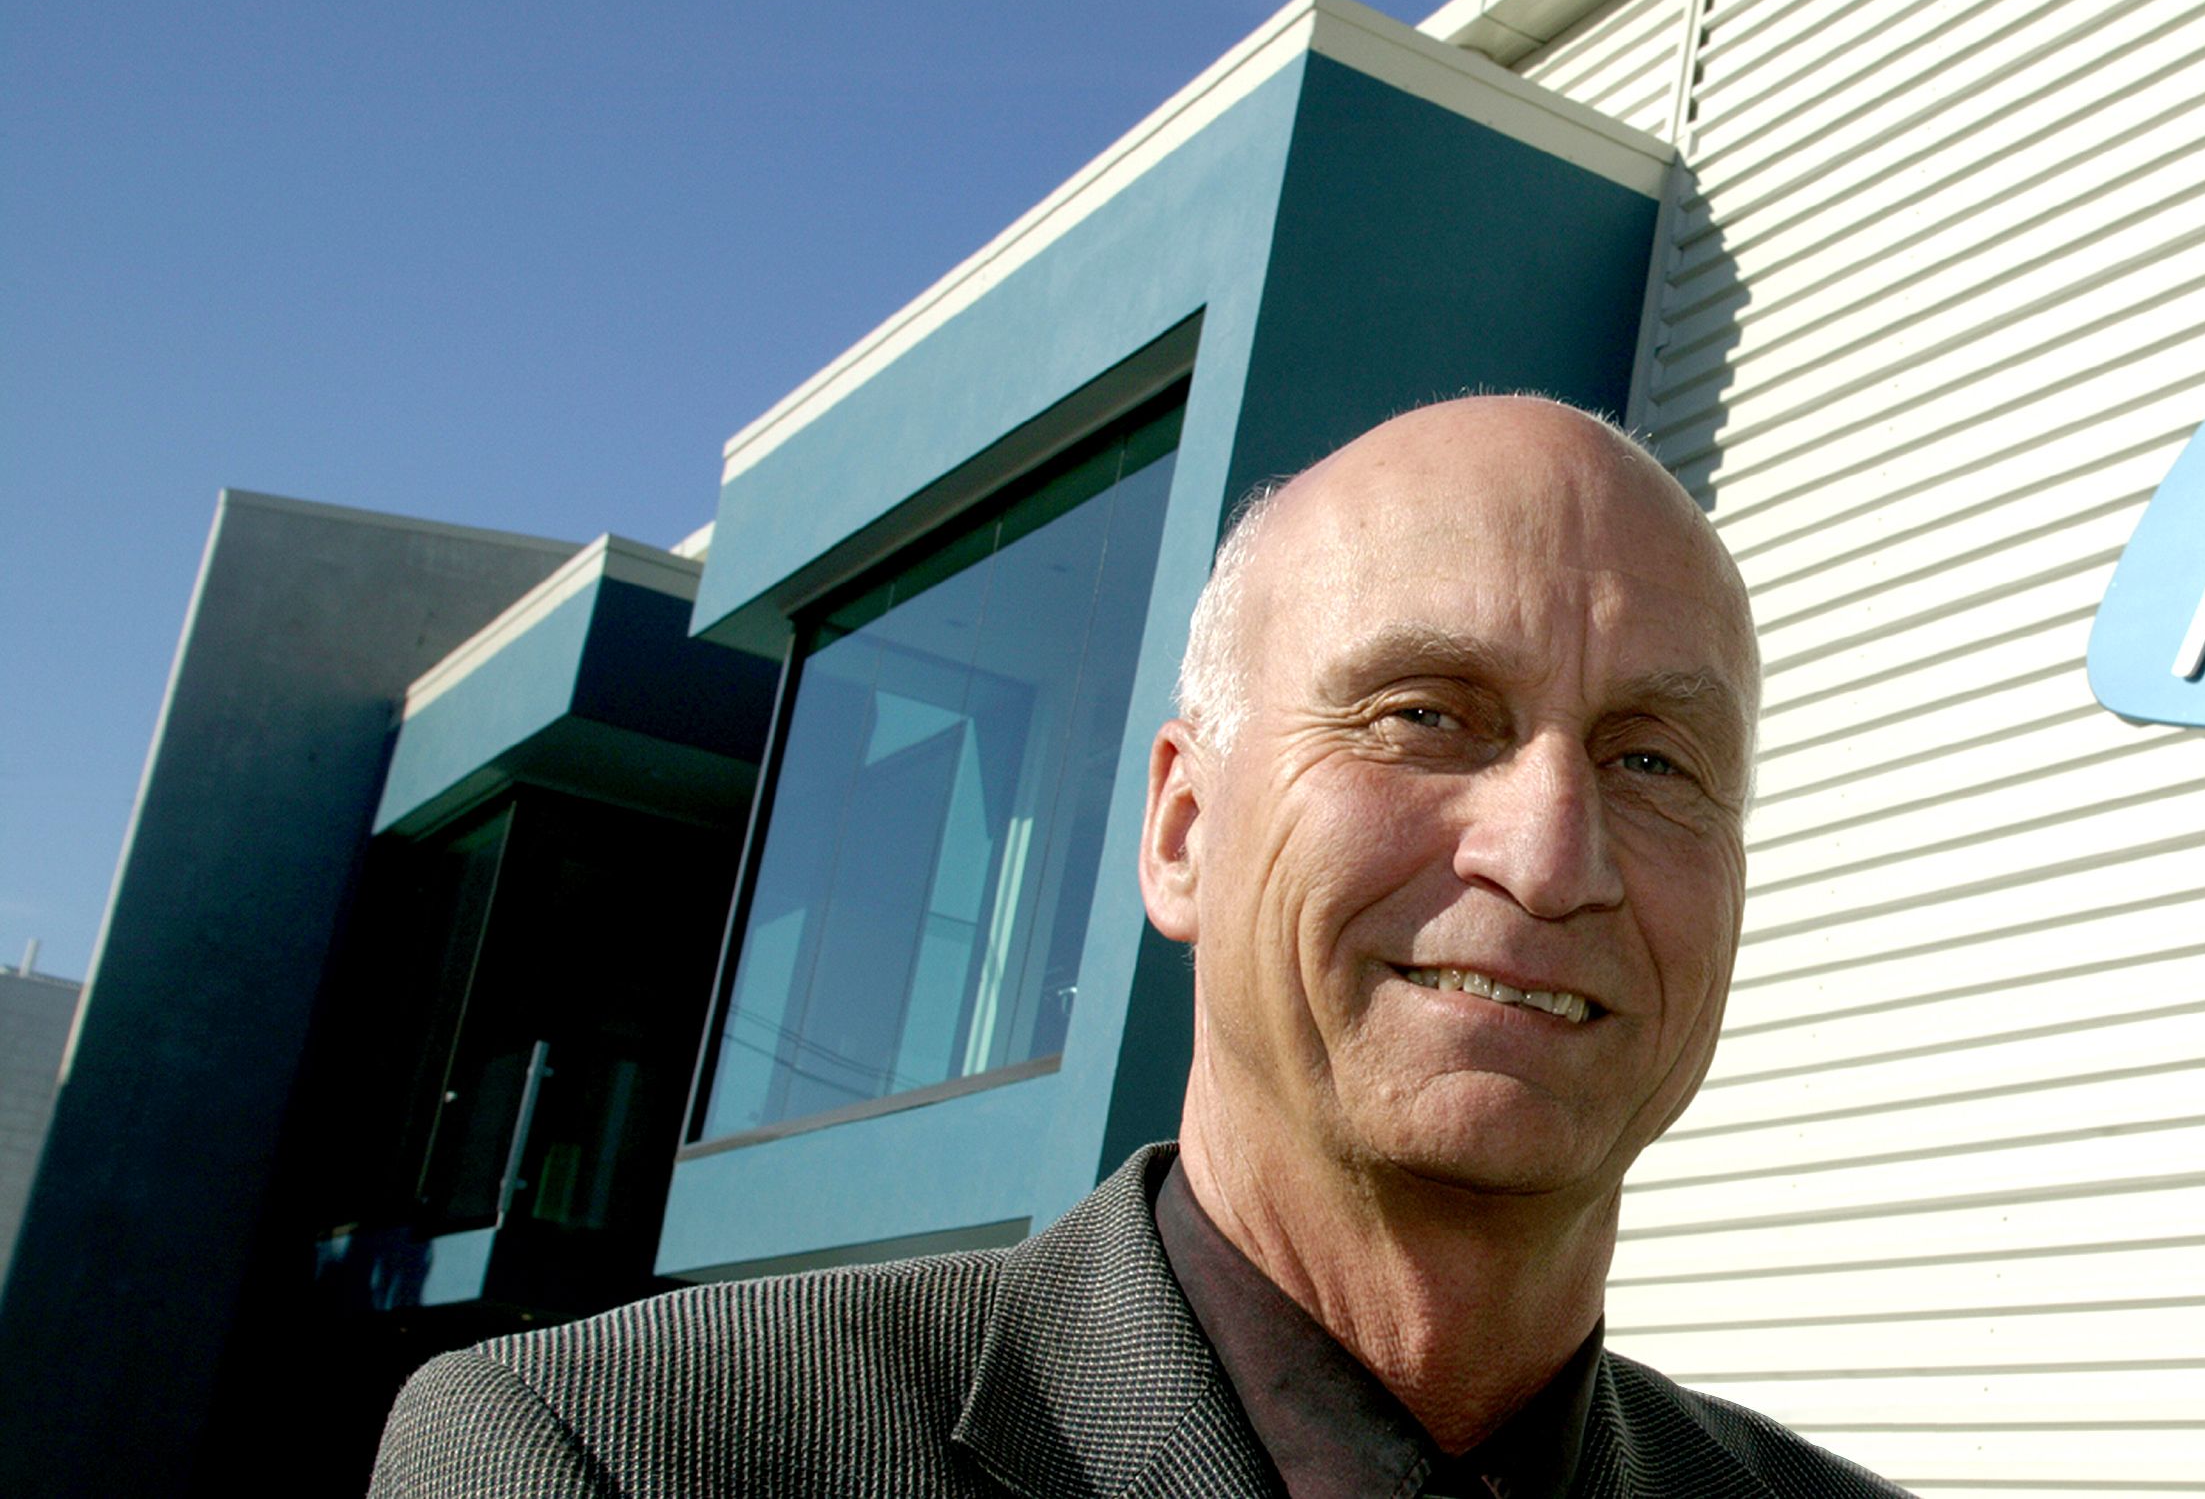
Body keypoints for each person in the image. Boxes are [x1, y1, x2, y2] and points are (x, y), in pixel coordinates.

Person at [369, 397, 1904, 1498]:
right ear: (1179, 826)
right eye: (1426, 715)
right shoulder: (615, 1458)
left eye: (1653, 760)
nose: (1551, 850)